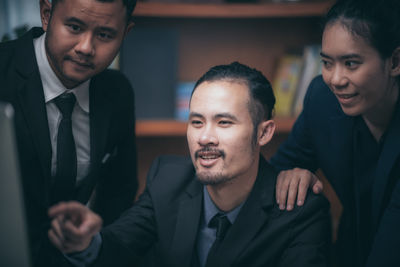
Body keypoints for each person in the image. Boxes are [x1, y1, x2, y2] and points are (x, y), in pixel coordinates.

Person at [47, 62, 331, 267]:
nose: (205, 137)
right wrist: (84, 242)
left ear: (264, 133)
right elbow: (118, 247)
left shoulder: (300, 212)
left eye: (224, 122)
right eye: (196, 122)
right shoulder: (167, 179)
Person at [0, 0, 138, 266]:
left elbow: (119, 192)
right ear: (46, 14)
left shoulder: (118, 92)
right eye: (74, 27)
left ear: (125, 34)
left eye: (105, 35)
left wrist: (95, 244)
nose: (86, 48)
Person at [270, 0, 400, 266]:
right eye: (327, 63)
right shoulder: (322, 98)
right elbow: (277, 171)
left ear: (395, 61)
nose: (336, 79)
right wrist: (291, 174)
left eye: (351, 64)